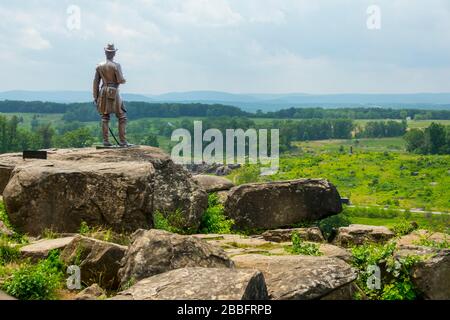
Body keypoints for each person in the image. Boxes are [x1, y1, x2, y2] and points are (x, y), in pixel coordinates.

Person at [93, 43, 132, 147]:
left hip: (103, 91)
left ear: (106, 52)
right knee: (122, 116)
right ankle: (123, 141)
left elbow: (95, 83)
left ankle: (106, 141)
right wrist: (124, 80)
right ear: (114, 53)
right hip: (113, 91)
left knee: (105, 117)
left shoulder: (99, 66)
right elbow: (120, 79)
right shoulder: (116, 65)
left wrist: (95, 97)